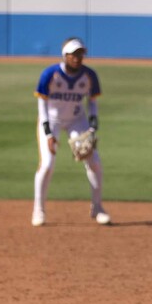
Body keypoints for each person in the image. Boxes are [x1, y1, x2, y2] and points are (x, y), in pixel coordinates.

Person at [32, 37, 110, 227]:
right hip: (52, 121)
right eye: (74, 54)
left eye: (80, 54)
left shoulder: (89, 75)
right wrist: (49, 134)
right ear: (65, 55)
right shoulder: (50, 74)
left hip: (77, 120)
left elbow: (92, 102)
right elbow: (42, 105)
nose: (78, 58)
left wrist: (92, 128)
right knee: (47, 164)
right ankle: (38, 209)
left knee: (95, 162)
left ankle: (97, 207)